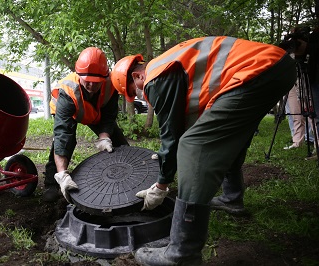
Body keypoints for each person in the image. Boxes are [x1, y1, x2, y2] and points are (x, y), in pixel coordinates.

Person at [111, 36, 296, 265]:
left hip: (257, 71)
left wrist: (161, 185)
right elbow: (189, 122)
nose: (140, 95)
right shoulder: (169, 64)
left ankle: (182, 252)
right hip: (277, 66)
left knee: (193, 145)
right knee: (227, 137)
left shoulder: (155, 77)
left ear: (137, 76)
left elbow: (173, 137)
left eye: (135, 90)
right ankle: (232, 198)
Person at [43, 47, 129, 203]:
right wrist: (62, 173)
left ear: (105, 76)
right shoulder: (67, 91)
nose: (91, 85)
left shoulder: (111, 85)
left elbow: (109, 116)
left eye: (96, 82)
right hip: (71, 112)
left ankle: (126, 177)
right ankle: (52, 183)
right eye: (87, 80)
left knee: (119, 143)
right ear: (78, 75)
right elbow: (63, 133)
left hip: (96, 114)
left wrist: (104, 136)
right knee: (65, 142)